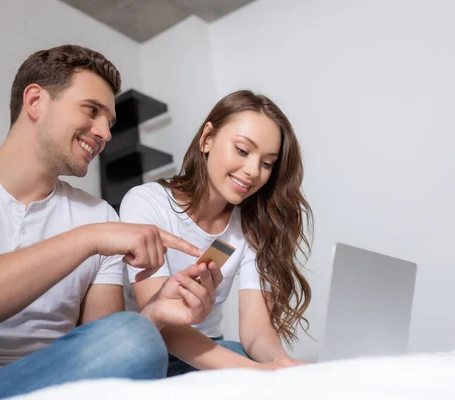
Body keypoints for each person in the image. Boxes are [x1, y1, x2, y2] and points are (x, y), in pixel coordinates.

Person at [0, 44, 222, 400]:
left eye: (110, 122)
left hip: (40, 384)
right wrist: (88, 239)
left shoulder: (99, 215)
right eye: (92, 110)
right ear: (35, 101)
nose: (104, 133)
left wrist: (154, 315)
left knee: (134, 337)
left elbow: (110, 348)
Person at [120, 90, 314, 376]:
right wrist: (255, 372)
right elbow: (164, 324)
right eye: (243, 150)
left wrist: (281, 365)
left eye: (267, 163)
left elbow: (257, 330)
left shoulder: (251, 225)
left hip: (208, 350)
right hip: (149, 348)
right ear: (207, 138)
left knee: (255, 361)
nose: (252, 171)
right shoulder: (146, 202)